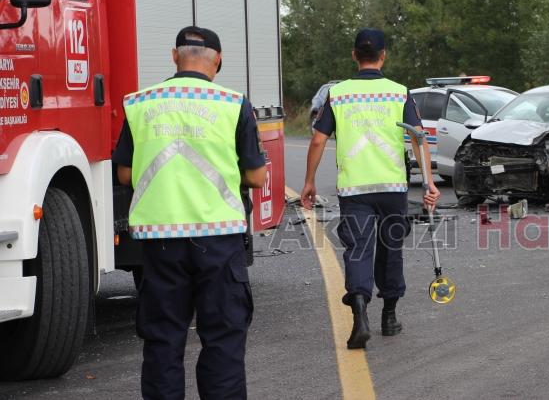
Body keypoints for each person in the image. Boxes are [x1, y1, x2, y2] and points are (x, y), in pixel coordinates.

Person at [112, 26, 267, 399]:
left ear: (174, 56)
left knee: (163, 341)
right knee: (223, 340)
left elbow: (125, 172)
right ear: (218, 61)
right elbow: (257, 176)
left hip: (160, 242)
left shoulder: (140, 102)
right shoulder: (233, 104)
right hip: (218, 239)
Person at [301, 28, 440, 350]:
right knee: (391, 250)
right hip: (392, 188)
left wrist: (308, 182)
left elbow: (319, 138)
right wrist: (429, 183)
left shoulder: (339, 94)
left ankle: (360, 309)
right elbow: (418, 138)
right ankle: (389, 318)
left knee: (358, 249)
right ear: (383, 55)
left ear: (354, 55)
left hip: (355, 189)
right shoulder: (399, 92)